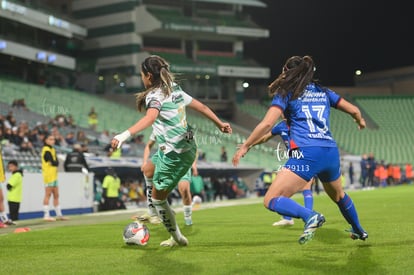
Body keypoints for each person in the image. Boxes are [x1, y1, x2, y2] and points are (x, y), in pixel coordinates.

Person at [232, 55, 368, 244]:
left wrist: (246, 145)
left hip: (307, 153)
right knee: (339, 196)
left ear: (287, 72)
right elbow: (353, 110)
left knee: (271, 199)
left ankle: (310, 216)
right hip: (330, 151)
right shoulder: (324, 91)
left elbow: (268, 123)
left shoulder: (287, 92)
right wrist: (359, 121)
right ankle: (360, 230)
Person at [111, 55, 232, 247]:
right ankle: (153, 212)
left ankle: (176, 237)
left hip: (175, 154)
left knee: (160, 200)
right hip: (182, 147)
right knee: (148, 170)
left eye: (142, 75)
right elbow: (201, 106)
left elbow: (150, 118)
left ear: (149, 76)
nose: (142, 79)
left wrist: (122, 135)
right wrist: (220, 124)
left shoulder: (155, 95)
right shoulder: (174, 88)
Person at [245, 119, 314, 226]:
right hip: (294, 161)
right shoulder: (281, 126)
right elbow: (265, 138)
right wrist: (249, 145)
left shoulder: (302, 123)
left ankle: (308, 218)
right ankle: (293, 218)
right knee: (283, 191)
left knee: (306, 187)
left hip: (307, 158)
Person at [138, 132, 198, 226]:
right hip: (164, 160)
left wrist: (194, 166)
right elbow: (148, 145)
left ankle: (187, 217)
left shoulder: (184, 129)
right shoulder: (158, 127)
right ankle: (153, 212)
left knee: (184, 189)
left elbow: (194, 148)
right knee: (150, 174)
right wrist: (144, 162)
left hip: (181, 161)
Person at [41, 133, 68, 221]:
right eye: (50, 139)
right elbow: (54, 162)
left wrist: (55, 162)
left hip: (54, 175)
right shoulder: (46, 150)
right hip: (48, 176)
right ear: (46, 140)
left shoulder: (52, 149)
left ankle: (59, 215)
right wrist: (54, 162)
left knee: (56, 195)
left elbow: (56, 162)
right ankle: (46, 215)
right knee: (48, 194)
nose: (53, 141)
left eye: (53, 139)